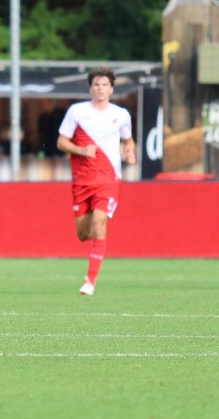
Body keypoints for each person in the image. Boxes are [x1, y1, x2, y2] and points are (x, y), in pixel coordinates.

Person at [56, 67, 136, 296]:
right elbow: (62, 142)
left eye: (104, 85)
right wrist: (81, 150)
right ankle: (94, 247)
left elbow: (129, 141)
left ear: (111, 88)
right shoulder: (77, 112)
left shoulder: (121, 114)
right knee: (83, 234)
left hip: (108, 179)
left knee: (100, 222)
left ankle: (90, 281)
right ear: (91, 88)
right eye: (96, 84)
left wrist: (130, 153)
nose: (100, 88)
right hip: (82, 180)